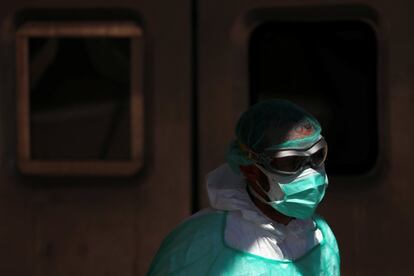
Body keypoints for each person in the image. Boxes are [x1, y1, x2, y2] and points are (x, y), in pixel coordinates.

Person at [148, 99, 340, 275]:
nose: (311, 173)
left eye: (317, 155)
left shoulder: (320, 238)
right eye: (291, 162)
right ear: (250, 170)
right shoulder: (200, 242)